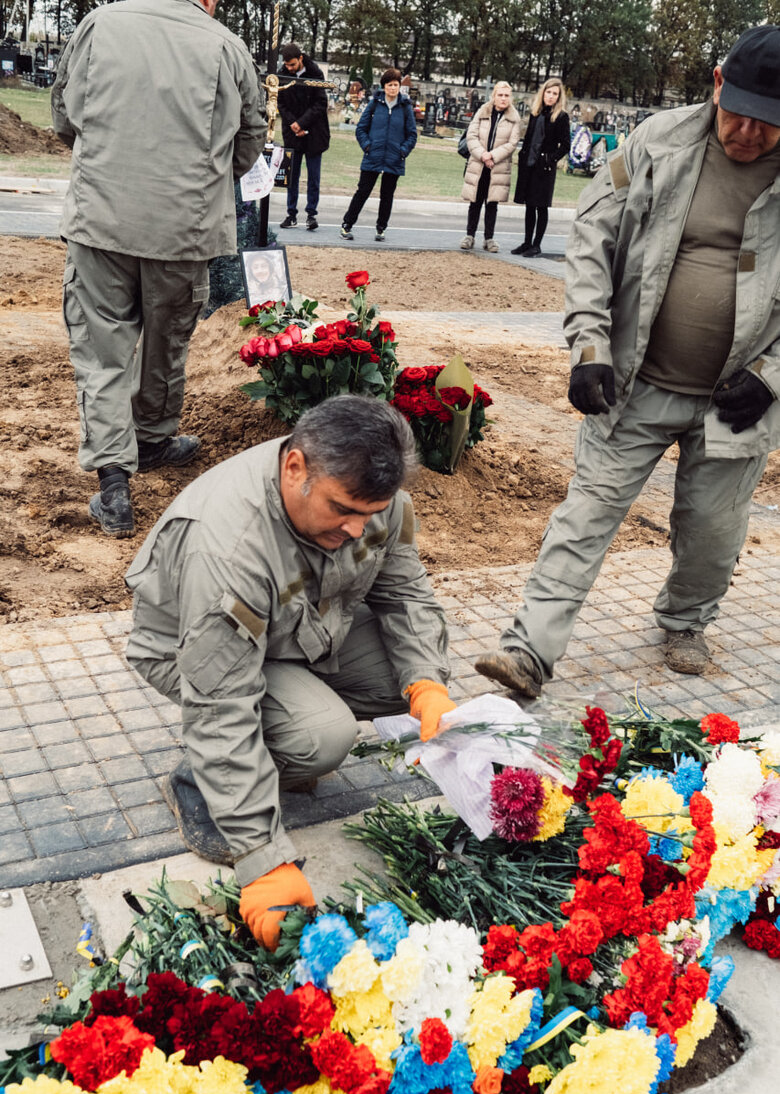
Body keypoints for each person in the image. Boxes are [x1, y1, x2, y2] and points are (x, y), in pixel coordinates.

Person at [475, 25, 780, 699]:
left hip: (738, 394)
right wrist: (588, 343)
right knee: (586, 513)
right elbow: (593, 234)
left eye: (769, 125)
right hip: (635, 379)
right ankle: (528, 650)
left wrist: (771, 376)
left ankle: (685, 618)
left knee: (712, 531)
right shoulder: (656, 142)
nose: (750, 135)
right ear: (718, 84)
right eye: (741, 114)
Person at [124, 396, 456, 948]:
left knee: (404, 677)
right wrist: (262, 858)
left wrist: (425, 683)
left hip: (301, 626)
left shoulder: (370, 498)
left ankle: (284, 723)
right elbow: (219, 704)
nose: (356, 529)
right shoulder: (230, 548)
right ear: (296, 468)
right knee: (322, 736)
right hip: (196, 652)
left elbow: (405, 589)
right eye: (343, 509)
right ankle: (198, 783)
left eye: (369, 514)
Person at [51, 0, 264, 540]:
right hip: (185, 226)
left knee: (103, 351)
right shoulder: (228, 46)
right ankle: (151, 438)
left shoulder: (101, 24)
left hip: (101, 218)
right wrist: (204, 177)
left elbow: (64, 114)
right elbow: (249, 140)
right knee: (168, 338)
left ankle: (114, 485)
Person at [340, 68, 417, 242]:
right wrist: (367, 146)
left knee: (387, 195)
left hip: (394, 158)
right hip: (373, 156)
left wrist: (403, 151)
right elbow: (361, 129)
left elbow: (412, 134)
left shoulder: (405, 107)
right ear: (384, 86)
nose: (393, 88)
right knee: (363, 191)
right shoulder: (375, 104)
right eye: (389, 85)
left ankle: (381, 228)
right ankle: (347, 225)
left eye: (396, 85)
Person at [460, 81, 521, 253]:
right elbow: (471, 136)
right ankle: (469, 235)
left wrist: (493, 156)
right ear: (493, 96)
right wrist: (483, 155)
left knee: (492, 203)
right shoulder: (482, 112)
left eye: (506, 95)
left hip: (498, 166)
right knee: (475, 201)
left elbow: (512, 143)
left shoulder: (514, 118)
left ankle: (489, 238)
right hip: (479, 164)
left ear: (510, 98)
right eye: (500, 95)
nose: (503, 98)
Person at [511, 77, 570, 257]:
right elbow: (529, 138)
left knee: (541, 206)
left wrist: (550, 159)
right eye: (548, 92)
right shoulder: (536, 113)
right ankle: (527, 242)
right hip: (530, 164)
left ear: (559, 97)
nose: (550, 96)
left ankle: (537, 244)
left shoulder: (561, 117)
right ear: (543, 93)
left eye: (555, 94)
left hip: (544, 167)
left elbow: (566, 145)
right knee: (529, 205)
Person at [277, 42, 330, 232]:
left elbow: (320, 102)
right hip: (293, 133)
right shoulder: (282, 75)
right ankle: (291, 214)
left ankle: (311, 214)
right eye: (287, 65)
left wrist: (303, 123)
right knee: (292, 176)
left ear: (300, 58)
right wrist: (293, 124)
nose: (289, 68)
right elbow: (280, 102)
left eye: (292, 64)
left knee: (313, 176)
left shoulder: (315, 73)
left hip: (314, 132)